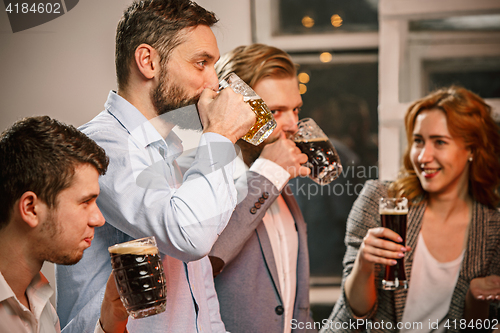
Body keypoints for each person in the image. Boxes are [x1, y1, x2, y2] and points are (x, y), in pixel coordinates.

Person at [55, 0, 255, 332]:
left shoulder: (171, 149)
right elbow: (190, 238)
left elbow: (199, 294)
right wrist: (220, 134)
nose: (213, 83)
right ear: (147, 61)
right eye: (201, 63)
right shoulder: (101, 146)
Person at [320, 86, 500, 333]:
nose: (424, 156)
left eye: (439, 142)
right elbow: (357, 313)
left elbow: (474, 328)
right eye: (418, 141)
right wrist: (364, 262)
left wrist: (475, 298)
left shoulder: (493, 229)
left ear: (471, 148)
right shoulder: (380, 198)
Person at [207, 43, 316, 333]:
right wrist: (268, 173)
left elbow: (294, 300)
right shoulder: (198, 176)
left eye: (296, 109)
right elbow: (206, 262)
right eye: (277, 111)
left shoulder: (282, 184)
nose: (293, 123)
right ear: (236, 108)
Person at [0, 116, 128, 333]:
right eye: (85, 202)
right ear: (31, 208)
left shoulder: (39, 298)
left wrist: (108, 325)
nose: (98, 219)